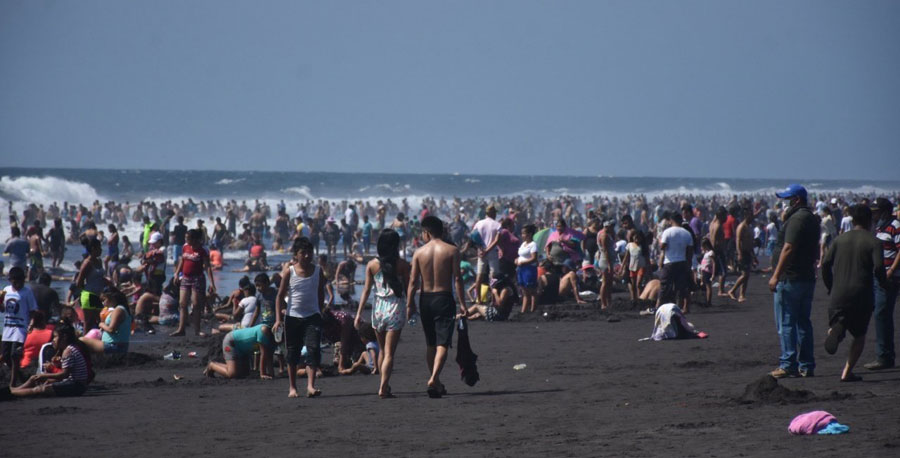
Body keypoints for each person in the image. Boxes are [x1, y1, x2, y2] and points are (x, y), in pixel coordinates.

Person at [821, 205, 885, 382]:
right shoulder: (874, 242)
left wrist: (830, 285)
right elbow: (879, 267)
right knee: (859, 335)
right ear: (869, 221)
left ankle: (837, 328)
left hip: (838, 294)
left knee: (840, 318)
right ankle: (847, 372)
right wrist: (884, 283)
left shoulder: (839, 240)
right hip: (861, 295)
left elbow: (825, 264)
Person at [407, 216, 468, 398]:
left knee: (431, 343)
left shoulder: (419, 253)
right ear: (442, 231)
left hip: (425, 299)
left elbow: (412, 282)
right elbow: (457, 279)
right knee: (443, 342)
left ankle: (437, 381)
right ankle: (434, 378)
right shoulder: (452, 250)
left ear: (426, 233)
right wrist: (463, 304)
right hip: (443, 298)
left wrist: (410, 304)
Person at [768, 184, 820, 378]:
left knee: (787, 322)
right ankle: (806, 364)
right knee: (802, 322)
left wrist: (775, 275)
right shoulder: (811, 218)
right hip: (805, 276)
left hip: (791, 277)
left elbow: (788, 248)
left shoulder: (797, 219)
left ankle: (788, 363)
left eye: (787, 200)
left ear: (796, 200)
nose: (785, 204)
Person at [354, 229, 410, 398]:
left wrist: (358, 313)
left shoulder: (372, 265)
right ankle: (383, 388)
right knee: (390, 353)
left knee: (382, 351)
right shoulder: (402, 265)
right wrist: (413, 306)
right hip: (395, 308)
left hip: (378, 308)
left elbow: (365, 290)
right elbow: (408, 289)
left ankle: (383, 384)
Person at [274, 237, 327, 398]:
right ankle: (292, 387)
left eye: (309, 252)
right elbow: (279, 296)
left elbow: (320, 293)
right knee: (292, 353)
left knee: (313, 349)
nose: (306, 256)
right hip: (292, 317)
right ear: (295, 255)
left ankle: (311, 386)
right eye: (302, 253)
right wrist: (277, 319)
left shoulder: (318, 271)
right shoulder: (289, 272)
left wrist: (320, 311)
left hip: (313, 316)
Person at [10, 323, 92, 398]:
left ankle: (13, 393)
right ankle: (15, 390)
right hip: (77, 384)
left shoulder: (68, 351)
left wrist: (44, 375)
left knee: (41, 389)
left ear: (64, 337)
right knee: (41, 381)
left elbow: (64, 374)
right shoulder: (72, 348)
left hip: (76, 386)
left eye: (55, 336)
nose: (53, 340)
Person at [865, 197, 900, 370]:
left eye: (876, 211)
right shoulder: (880, 226)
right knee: (882, 314)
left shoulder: (895, 225)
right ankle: (885, 354)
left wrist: (891, 270)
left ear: (885, 211)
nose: (874, 214)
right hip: (881, 275)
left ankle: (884, 356)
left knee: (882, 314)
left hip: (890, 277)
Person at [171, 229, 216, 337]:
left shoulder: (203, 250)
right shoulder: (185, 247)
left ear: (195, 239)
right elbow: (182, 260)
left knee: (196, 304)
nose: (186, 240)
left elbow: (207, 267)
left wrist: (212, 283)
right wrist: (177, 273)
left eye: (188, 238)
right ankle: (181, 329)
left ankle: (197, 330)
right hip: (185, 278)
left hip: (197, 279)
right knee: (182, 303)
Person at [1, 267, 39, 387]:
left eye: (20, 281)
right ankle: (22, 377)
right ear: (10, 280)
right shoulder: (6, 290)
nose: (17, 284)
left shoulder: (27, 292)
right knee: (6, 356)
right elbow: (3, 309)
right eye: (14, 281)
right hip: (7, 327)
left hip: (21, 328)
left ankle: (12, 384)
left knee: (15, 355)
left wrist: (31, 324)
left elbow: (33, 311)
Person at [204, 324, 274, 379]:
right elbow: (263, 354)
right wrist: (263, 374)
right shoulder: (264, 331)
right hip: (232, 342)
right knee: (232, 374)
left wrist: (271, 374)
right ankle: (212, 365)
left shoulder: (275, 340)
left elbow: (269, 356)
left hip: (244, 348)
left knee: (244, 374)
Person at [657, 213, 694, 313]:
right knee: (680, 287)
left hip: (669, 262)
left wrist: (659, 241)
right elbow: (690, 251)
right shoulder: (687, 233)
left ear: (671, 220)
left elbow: (662, 247)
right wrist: (688, 264)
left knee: (664, 285)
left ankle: (658, 306)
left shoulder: (667, 232)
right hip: (682, 261)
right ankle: (679, 308)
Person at [80, 289, 132, 355]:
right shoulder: (120, 309)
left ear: (112, 298)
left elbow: (111, 329)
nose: (103, 303)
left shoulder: (118, 310)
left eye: (104, 300)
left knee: (82, 340)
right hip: (116, 345)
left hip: (114, 346)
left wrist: (101, 324)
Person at [75, 238, 109, 332]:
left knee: (101, 319)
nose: (101, 250)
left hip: (99, 295)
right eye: (99, 248)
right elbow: (79, 282)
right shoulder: (87, 263)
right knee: (88, 322)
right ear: (93, 249)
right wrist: (83, 294)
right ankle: (85, 343)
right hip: (89, 295)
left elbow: (100, 278)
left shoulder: (99, 261)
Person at [472, 206, 501, 303]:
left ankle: (478, 299)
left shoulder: (479, 223)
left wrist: (481, 248)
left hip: (481, 252)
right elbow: (496, 240)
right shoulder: (497, 224)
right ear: (493, 213)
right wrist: (487, 250)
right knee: (493, 276)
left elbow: (473, 236)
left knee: (479, 275)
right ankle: (493, 299)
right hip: (492, 252)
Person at [728, 208, 755, 302]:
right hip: (742, 252)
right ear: (747, 215)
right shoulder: (741, 226)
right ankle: (732, 290)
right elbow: (738, 240)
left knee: (747, 275)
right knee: (745, 274)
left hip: (748, 252)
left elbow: (750, 242)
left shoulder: (749, 226)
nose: (753, 217)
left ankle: (741, 295)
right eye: (751, 215)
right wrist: (739, 253)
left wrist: (754, 256)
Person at [516, 224, 538, 314]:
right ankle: (523, 311)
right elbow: (521, 255)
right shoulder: (523, 244)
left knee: (531, 289)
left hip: (529, 269)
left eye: (524, 233)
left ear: (529, 234)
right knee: (524, 290)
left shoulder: (533, 245)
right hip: (521, 269)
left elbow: (534, 258)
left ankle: (533, 309)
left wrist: (523, 262)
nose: (522, 235)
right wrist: (517, 259)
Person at [620, 230, 647, 305]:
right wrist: (622, 267)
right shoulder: (629, 245)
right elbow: (626, 257)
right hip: (632, 267)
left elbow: (647, 258)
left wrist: (649, 269)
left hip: (641, 266)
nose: (637, 238)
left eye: (638, 237)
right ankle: (634, 300)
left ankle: (640, 299)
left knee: (639, 283)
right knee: (633, 285)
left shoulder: (643, 246)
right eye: (635, 237)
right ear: (633, 237)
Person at [698, 239, 716, 306]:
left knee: (708, 286)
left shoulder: (711, 253)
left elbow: (714, 263)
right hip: (703, 271)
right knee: (704, 286)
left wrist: (713, 274)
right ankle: (706, 300)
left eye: (702, 246)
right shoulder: (706, 253)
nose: (701, 248)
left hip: (707, 271)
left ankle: (709, 302)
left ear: (705, 245)